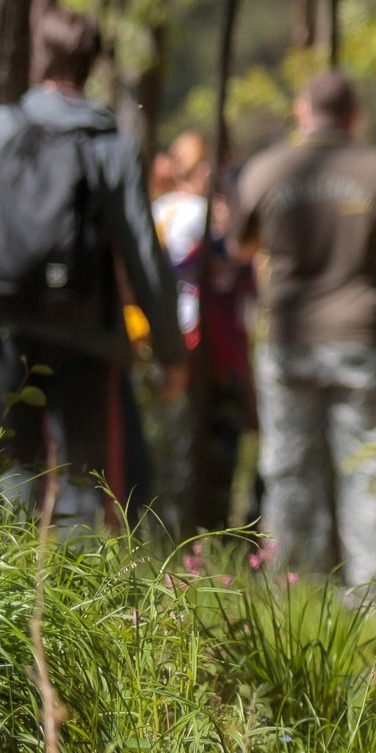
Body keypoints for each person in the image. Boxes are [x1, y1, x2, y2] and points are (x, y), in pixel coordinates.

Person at [0, 8, 182, 527]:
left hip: (5, 329)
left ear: (42, 55)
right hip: (88, 339)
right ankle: (73, 599)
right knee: (83, 478)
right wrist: (169, 351)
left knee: (14, 469)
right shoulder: (111, 144)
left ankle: (12, 597)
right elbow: (143, 253)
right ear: (93, 63)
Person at [232, 72, 376, 594]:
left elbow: (237, 247)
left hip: (287, 338)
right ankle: (371, 596)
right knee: (366, 468)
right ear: (353, 115)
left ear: (301, 111)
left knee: (289, 468)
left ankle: (293, 590)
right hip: (360, 334)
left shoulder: (266, 169)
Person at [151, 131, 256, 536]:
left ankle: (167, 529)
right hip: (204, 340)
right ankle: (202, 533)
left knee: (172, 440)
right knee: (207, 445)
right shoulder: (198, 214)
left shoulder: (161, 209)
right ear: (202, 170)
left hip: (167, 334)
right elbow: (228, 270)